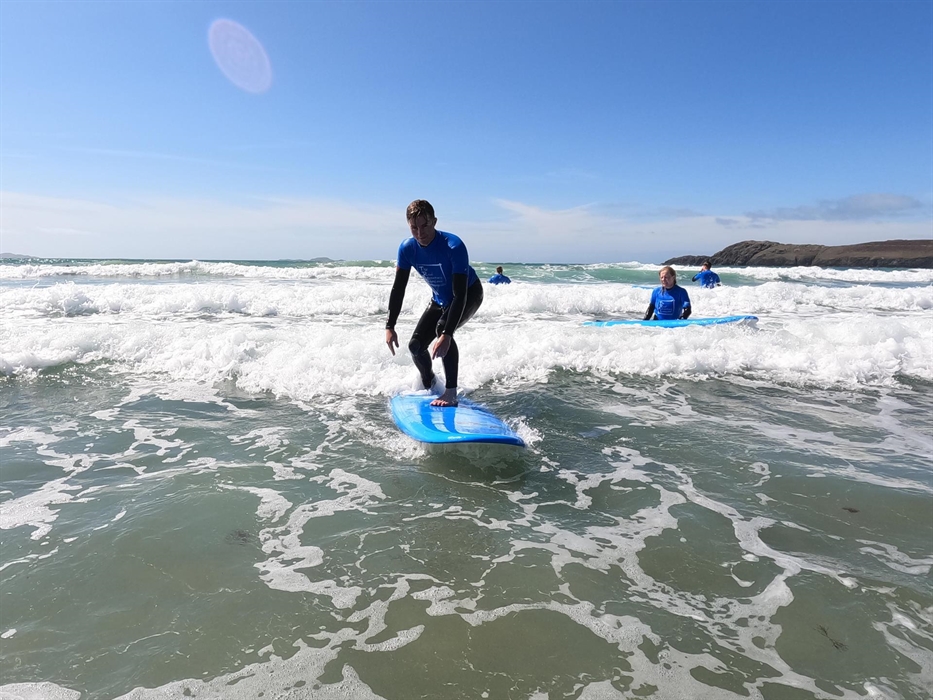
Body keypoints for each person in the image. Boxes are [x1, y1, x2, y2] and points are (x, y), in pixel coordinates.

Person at [385, 200, 483, 407]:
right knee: (415, 347)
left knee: (442, 329)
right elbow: (398, 288)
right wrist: (390, 325)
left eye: (425, 226)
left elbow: (459, 294)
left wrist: (447, 333)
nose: (420, 233)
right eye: (414, 227)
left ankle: (451, 392)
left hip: (469, 293)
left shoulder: (453, 246)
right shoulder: (407, 249)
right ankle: (430, 383)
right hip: (439, 298)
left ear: (434, 222)